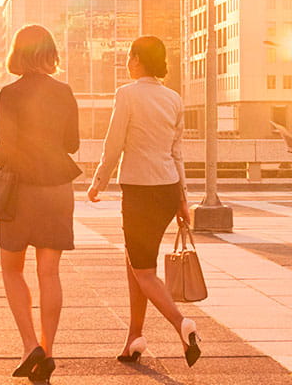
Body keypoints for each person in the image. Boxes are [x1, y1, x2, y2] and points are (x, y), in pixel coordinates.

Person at [86, 36, 203, 368]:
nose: (126, 61)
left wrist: (98, 182)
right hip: (166, 190)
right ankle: (134, 338)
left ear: (137, 59)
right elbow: (176, 153)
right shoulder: (174, 99)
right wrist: (182, 199)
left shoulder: (127, 94)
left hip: (139, 192)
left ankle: (183, 325)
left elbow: (114, 144)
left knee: (143, 270)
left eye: (128, 56)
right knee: (137, 264)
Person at [0, 24, 81, 383]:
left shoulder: (8, 94)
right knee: (50, 272)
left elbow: (6, 146)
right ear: (50, 52)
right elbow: (72, 143)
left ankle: (31, 345)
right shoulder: (64, 91)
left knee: (12, 269)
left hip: (20, 191)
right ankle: (49, 348)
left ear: (18, 52)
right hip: (58, 188)